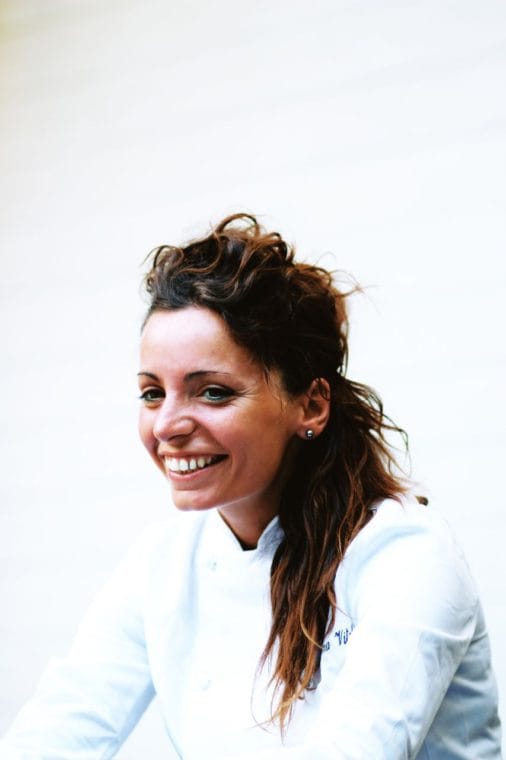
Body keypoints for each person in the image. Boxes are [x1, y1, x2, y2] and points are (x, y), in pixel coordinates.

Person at [0, 213, 501, 759]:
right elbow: (60, 728)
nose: (167, 425)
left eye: (212, 392)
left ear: (311, 404)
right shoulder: (163, 563)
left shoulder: (405, 557)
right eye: (152, 393)